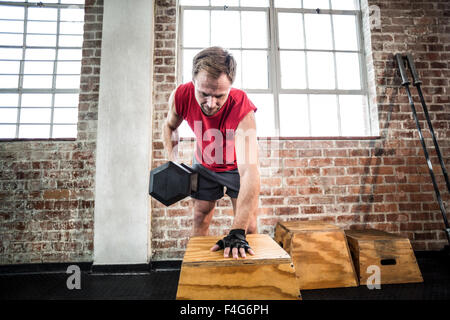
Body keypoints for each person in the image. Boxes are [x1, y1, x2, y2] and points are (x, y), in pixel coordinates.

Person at [162, 46, 260, 259]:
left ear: (230, 87)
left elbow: (250, 172)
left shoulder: (242, 107)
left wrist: (236, 231)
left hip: (236, 168)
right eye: (204, 94)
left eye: (219, 96)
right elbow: (169, 126)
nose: (210, 103)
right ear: (193, 81)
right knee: (200, 216)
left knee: (249, 227)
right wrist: (173, 161)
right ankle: (198, 273)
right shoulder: (181, 95)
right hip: (204, 164)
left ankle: (248, 281)